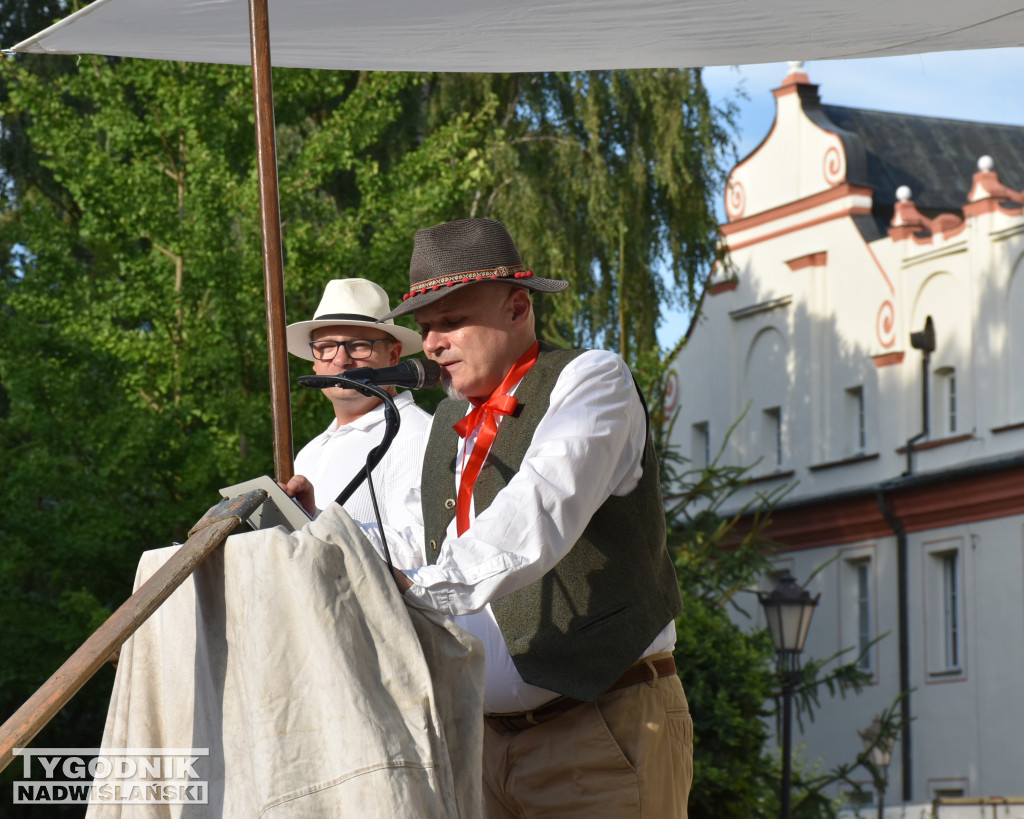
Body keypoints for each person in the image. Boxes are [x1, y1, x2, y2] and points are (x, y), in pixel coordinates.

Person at [380, 218, 693, 818]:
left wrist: (424, 590)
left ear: (518, 307)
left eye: (451, 321)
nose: (434, 343)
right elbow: (413, 543)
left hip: (600, 731)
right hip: (480, 746)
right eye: (425, 329)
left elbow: (541, 507)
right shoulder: (447, 424)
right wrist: (316, 527)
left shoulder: (593, 379)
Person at [281, 278, 432, 539]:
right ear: (315, 363)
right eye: (326, 347)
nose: (341, 360)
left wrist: (319, 524)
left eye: (359, 345)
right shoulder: (309, 453)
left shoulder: (415, 435)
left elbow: (419, 552)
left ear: (394, 356)